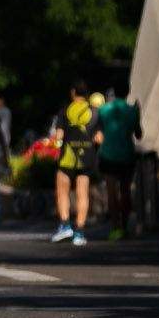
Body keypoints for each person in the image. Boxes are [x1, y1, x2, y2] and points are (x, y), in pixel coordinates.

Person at [49, 82, 98, 245]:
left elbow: (59, 136)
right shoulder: (95, 112)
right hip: (87, 156)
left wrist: (55, 146)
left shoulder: (65, 111)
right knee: (82, 193)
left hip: (68, 157)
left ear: (73, 92)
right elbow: (99, 138)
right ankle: (80, 232)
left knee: (62, 190)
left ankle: (65, 226)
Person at [96, 91, 143, 239]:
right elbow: (138, 134)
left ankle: (115, 228)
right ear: (127, 90)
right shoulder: (132, 110)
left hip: (108, 154)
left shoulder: (103, 110)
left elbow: (98, 133)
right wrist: (137, 113)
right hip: (127, 155)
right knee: (126, 191)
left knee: (111, 192)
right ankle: (125, 225)